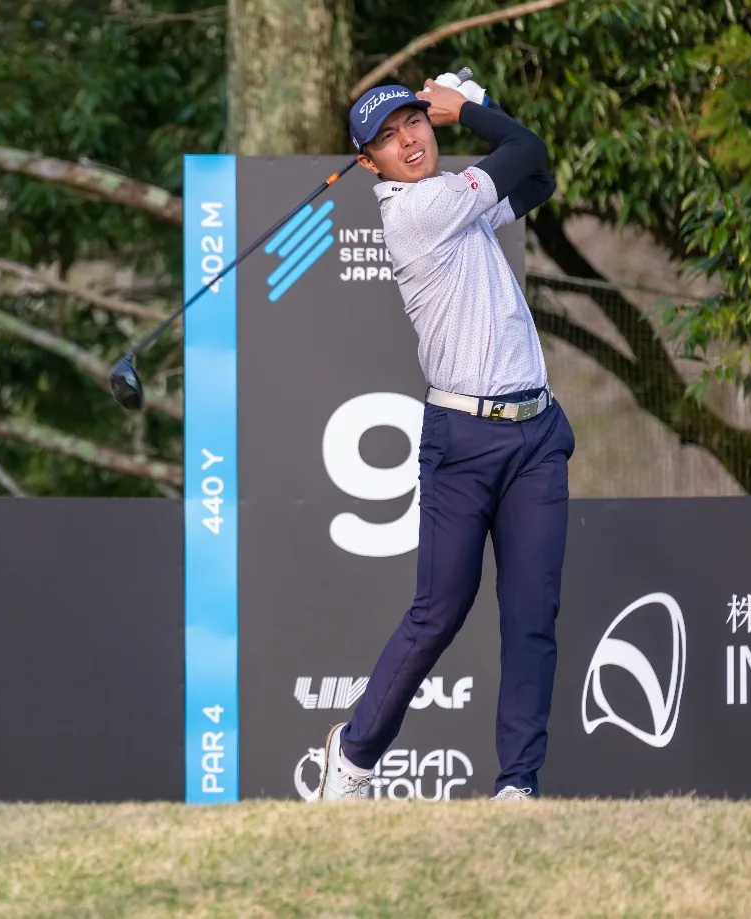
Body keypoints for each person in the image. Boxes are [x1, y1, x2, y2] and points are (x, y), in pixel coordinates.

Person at [314, 75, 576, 802]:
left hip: (536, 436)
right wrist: (471, 113)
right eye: (391, 137)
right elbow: (520, 146)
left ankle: (517, 783)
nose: (410, 139)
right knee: (440, 610)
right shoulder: (421, 211)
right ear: (370, 164)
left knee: (532, 614)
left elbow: (538, 174)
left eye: (416, 122)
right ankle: (355, 750)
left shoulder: (456, 202)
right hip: (462, 441)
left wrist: (475, 122)